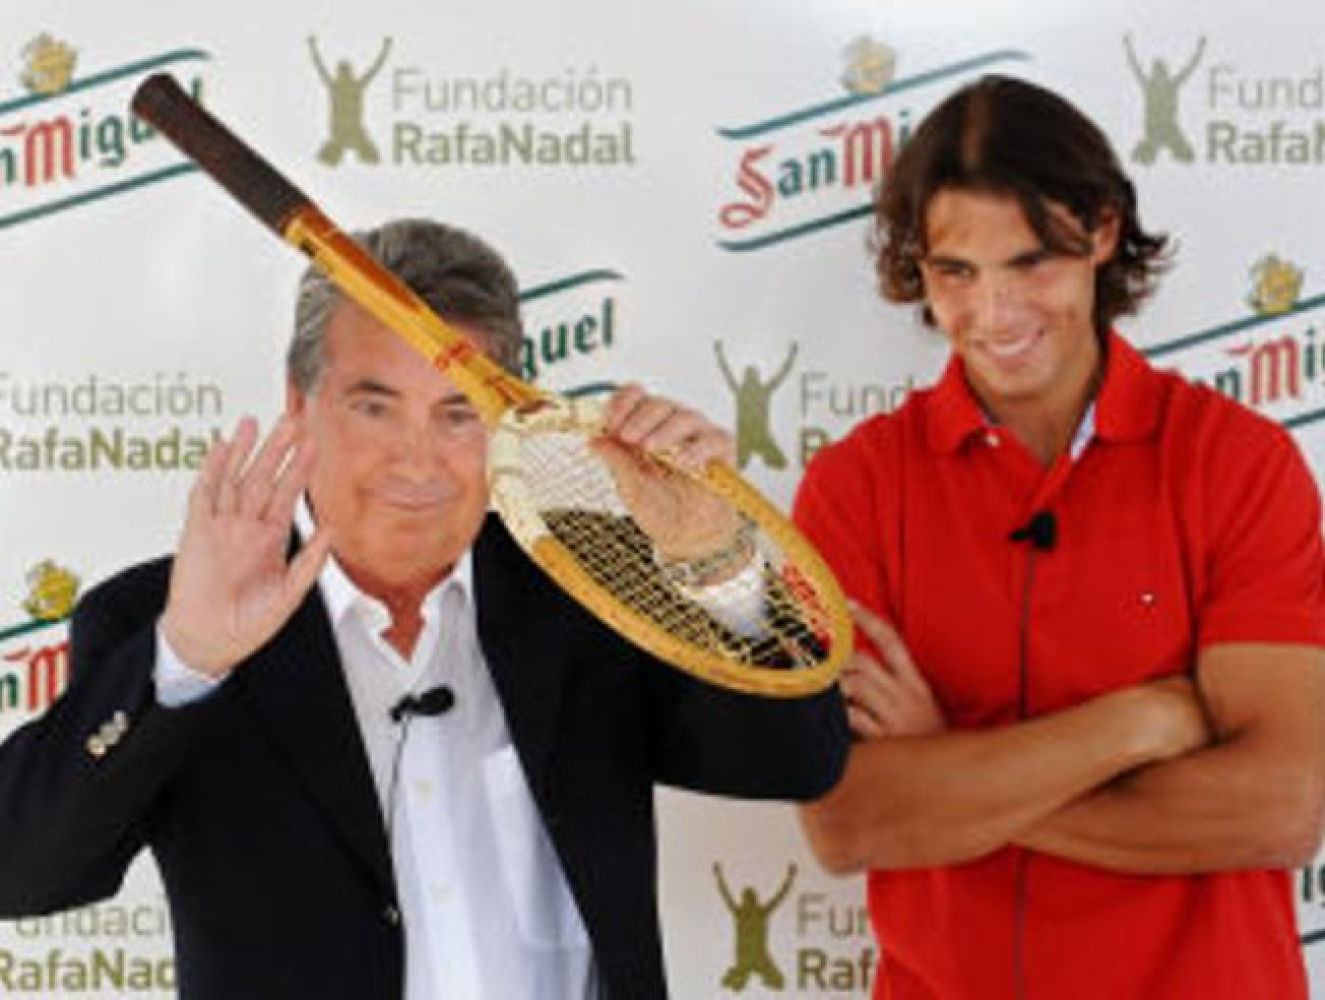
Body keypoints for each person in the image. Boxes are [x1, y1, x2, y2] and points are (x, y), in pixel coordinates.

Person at [0, 220, 848, 1000]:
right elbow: (24, 873)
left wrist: (715, 561)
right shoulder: (164, 615)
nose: (419, 460)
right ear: (300, 404)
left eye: (457, 415)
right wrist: (187, 659)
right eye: (375, 407)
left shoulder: (588, 586)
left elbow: (794, 763)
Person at [793, 75, 1325, 999]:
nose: (993, 315)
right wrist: (1140, 722)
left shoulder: (1238, 463)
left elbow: (1279, 809)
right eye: (955, 273)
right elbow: (848, 824)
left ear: (1103, 234)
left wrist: (948, 766)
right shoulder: (854, 487)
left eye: (1030, 263)